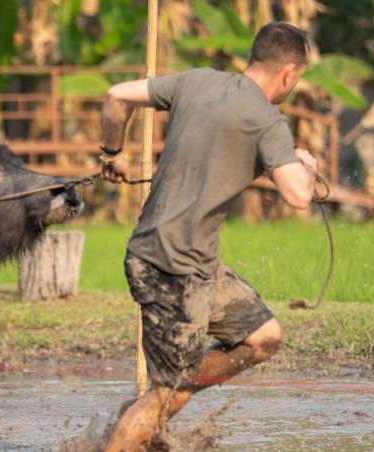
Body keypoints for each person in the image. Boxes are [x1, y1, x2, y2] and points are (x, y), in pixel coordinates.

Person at [99, 22, 318, 451]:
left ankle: (151, 410)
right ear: (289, 73)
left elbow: (116, 96)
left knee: (264, 338)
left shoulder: (197, 80)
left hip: (196, 264)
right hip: (170, 267)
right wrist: (304, 164)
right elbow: (298, 196)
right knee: (162, 397)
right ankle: (146, 415)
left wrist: (111, 153)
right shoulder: (268, 121)